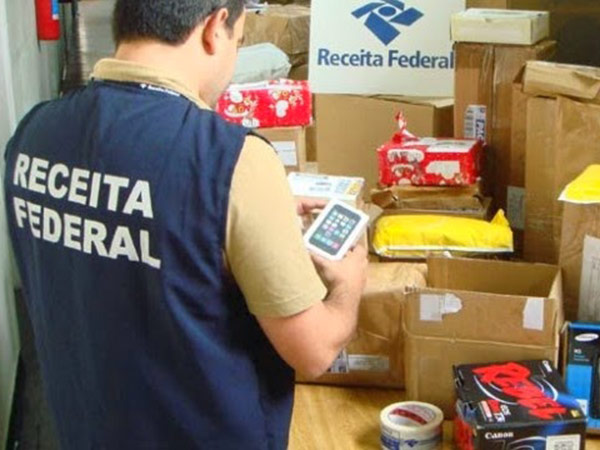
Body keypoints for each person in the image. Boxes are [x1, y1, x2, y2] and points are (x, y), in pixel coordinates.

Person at [2, 1, 368, 449]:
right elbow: (313, 351)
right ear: (215, 27)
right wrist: (350, 283)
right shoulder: (231, 159)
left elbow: (118, 228)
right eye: (238, 41)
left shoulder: (32, 135)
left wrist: (238, 216)